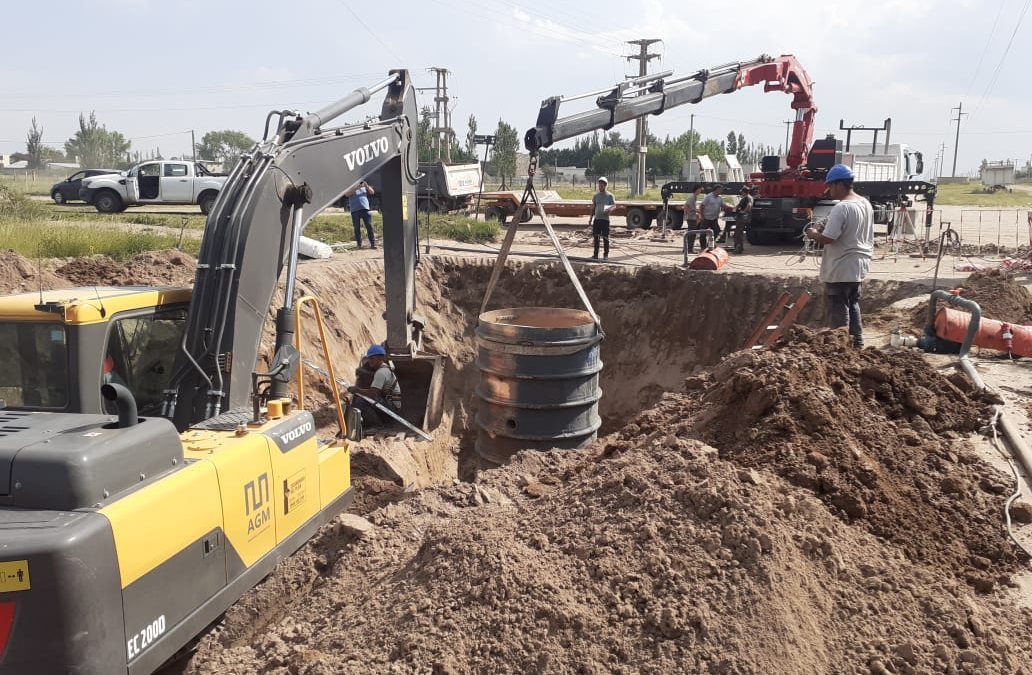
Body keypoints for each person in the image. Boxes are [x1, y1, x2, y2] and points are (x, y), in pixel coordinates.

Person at [804, 164, 874, 348]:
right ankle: (857, 343)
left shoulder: (842, 207)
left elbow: (828, 238)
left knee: (838, 305)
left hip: (841, 265)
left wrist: (812, 234)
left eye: (831, 186)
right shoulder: (864, 203)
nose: (829, 191)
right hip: (858, 265)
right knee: (852, 303)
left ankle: (840, 347)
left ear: (840, 184)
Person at [347, 345, 402, 428]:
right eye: (369, 358)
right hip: (392, 408)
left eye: (372, 358)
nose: (369, 361)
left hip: (392, 410)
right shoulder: (385, 369)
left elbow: (373, 393)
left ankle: (376, 426)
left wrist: (357, 390)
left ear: (380, 359)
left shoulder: (381, 372)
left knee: (362, 400)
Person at [345, 180, 376, 249]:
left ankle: (373, 244)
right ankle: (359, 245)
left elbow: (372, 192)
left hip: (365, 209)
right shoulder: (351, 186)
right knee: (357, 228)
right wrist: (356, 188)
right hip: (355, 210)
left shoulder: (364, 186)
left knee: (369, 226)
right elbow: (347, 194)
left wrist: (367, 186)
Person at [590, 177, 616, 260]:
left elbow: (614, 206)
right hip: (597, 219)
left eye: (602, 185)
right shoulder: (596, 196)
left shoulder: (610, 196)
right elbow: (593, 208)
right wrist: (590, 218)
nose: (600, 186)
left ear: (605, 185)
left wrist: (609, 210)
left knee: (605, 237)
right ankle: (595, 254)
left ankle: (605, 255)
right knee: (596, 238)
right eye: (599, 185)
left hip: (605, 220)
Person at [682, 186, 707, 258]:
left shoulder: (694, 197)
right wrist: (697, 212)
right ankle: (688, 249)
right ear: (696, 190)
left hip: (692, 217)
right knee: (691, 234)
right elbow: (687, 206)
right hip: (691, 218)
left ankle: (688, 248)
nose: (700, 191)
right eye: (699, 190)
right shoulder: (692, 197)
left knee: (692, 234)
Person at [731, 186, 755, 254]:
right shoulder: (747, 197)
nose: (741, 193)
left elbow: (749, 205)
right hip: (743, 217)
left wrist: (743, 212)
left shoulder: (748, 197)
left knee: (737, 233)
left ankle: (738, 248)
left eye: (742, 192)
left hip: (742, 217)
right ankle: (739, 247)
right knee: (738, 233)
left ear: (744, 192)